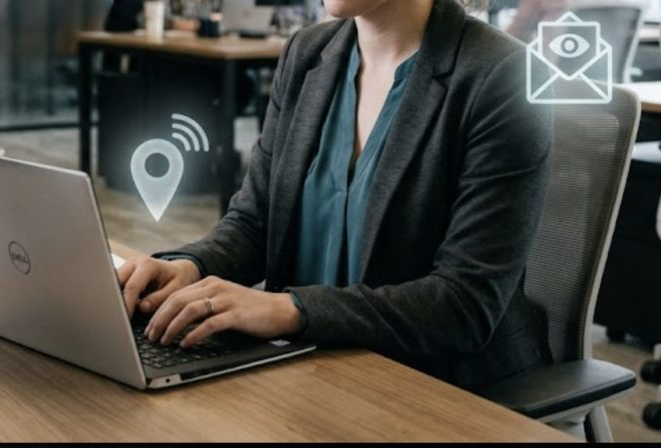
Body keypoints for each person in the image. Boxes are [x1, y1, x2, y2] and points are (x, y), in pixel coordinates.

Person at [117, 0, 553, 390]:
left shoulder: (502, 75)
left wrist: (291, 310)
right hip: (310, 369)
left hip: (439, 387)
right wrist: (191, 267)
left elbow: (464, 304)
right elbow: (255, 224)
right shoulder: (307, 54)